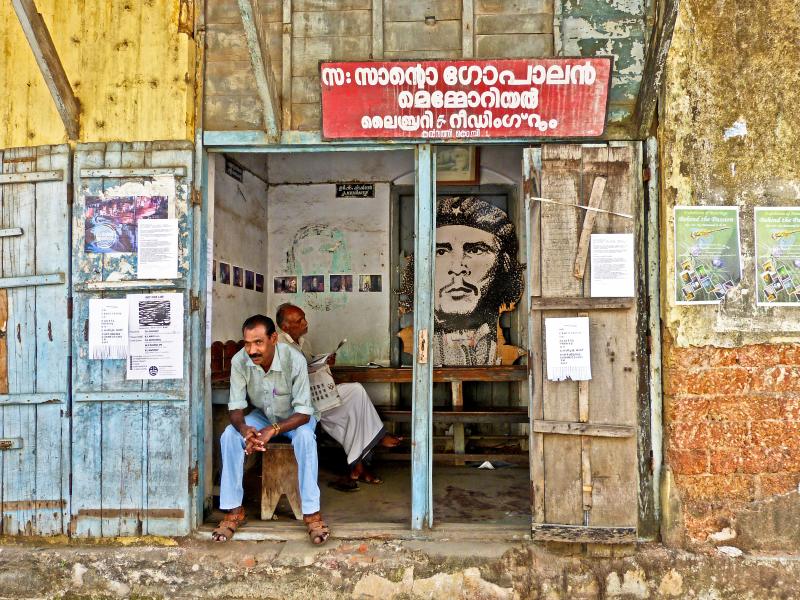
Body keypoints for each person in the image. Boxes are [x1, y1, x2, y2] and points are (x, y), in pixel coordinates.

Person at [212, 314, 330, 544]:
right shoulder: (240, 361)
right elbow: (236, 407)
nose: (252, 350)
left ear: (274, 338)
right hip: (262, 416)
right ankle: (234, 510)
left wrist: (273, 430)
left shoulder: (294, 359)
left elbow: (305, 412)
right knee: (229, 435)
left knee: (306, 438)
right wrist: (245, 428)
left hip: (296, 419)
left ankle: (312, 513)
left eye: (258, 342)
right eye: (247, 343)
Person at [276, 303, 402, 491]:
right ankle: (374, 442)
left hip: (315, 391)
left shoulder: (304, 342)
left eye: (304, 318)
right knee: (351, 413)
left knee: (356, 396)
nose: (305, 323)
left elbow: (310, 366)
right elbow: (287, 377)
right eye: (299, 320)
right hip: (299, 401)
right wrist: (312, 369)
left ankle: (358, 466)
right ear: (285, 327)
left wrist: (324, 362)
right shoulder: (279, 344)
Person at [400, 196, 524, 366]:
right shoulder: (409, 340)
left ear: (503, 263)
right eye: (441, 251)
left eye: (476, 249)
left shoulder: (502, 348)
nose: (457, 268)